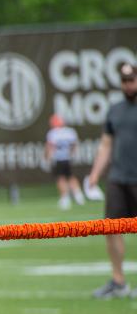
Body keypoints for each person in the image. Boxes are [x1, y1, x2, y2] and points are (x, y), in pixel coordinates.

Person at [85, 62, 137, 299]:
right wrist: (96, 173)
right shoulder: (114, 110)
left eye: (132, 80)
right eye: (124, 80)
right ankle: (118, 281)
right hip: (118, 177)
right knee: (111, 227)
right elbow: (106, 145)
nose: (128, 85)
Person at [45, 114, 85, 210]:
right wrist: (71, 154)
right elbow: (74, 145)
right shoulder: (70, 132)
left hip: (58, 159)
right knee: (71, 177)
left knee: (60, 178)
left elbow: (50, 147)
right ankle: (78, 195)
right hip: (67, 158)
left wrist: (48, 158)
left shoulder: (53, 133)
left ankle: (65, 198)